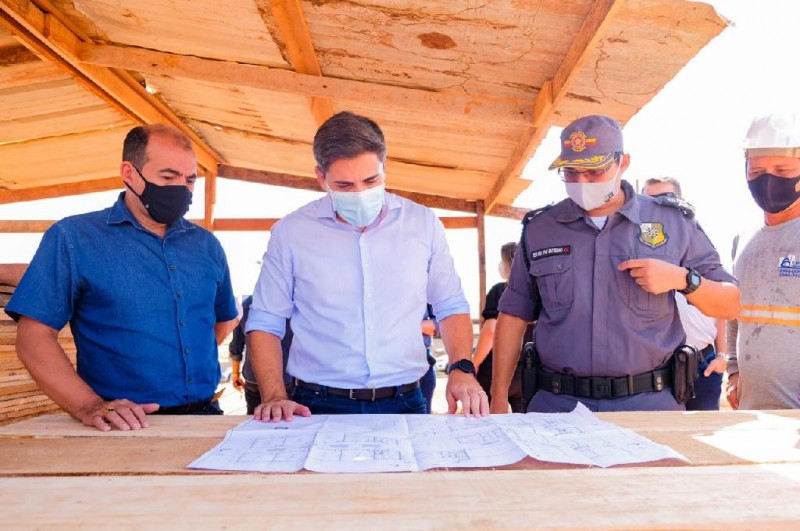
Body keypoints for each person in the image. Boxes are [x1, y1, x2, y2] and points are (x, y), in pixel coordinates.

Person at [245, 111, 487, 421]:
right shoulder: (291, 233)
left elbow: (450, 305)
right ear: (321, 178)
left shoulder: (423, 224)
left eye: (371, 181)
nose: (360, 193)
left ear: (385, 168)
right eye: (344, 185)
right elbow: (266, 321)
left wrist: (461, 367)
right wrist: (275, 395)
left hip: (407, 399)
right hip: (316, 403)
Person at [490, 114, 740, 414]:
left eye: (594, 171)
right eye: (571, 171)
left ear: (623, 163)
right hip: (557, 406)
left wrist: (683, 279)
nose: (582, 182)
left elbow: (730, 303)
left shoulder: (672, 222)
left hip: (648, 406)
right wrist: (497, 397)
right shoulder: (541, 228)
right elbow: (513, 315)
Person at [5, 124, 239, 431]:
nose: (182, 188)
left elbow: (223, 320)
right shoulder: (74, 239)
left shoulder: (207, 245)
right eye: (168, 177)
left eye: (190, 179)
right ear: (130, 173)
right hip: (121, 425)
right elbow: (33, 338)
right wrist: (88, 405)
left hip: (205, 418)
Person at [727, 112, 800, 410]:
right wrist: (733, 369)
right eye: (757, 173)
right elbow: (735, 311)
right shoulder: (742, 240)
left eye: (782, 170)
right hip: (754, 413)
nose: (768, 180)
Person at [641, 176, 728, 410]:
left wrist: (722, 357)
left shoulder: (703, 249)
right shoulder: (634, 252)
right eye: (649, 201)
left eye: (665, 199)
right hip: (656, 369)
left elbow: (721, 306)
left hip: (704, 366)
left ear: (680, 202)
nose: (658, 207)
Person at [473, 242, 532, 412]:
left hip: (496, 370)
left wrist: (474, 362)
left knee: (490, 421)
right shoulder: (538, 292)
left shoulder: (500, 290)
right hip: (527, 372)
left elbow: (491, 331)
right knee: (524, 426)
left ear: (508, 263)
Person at [229, 295, 294, 414]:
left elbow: (236, 345)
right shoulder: (291, 305)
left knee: (254, 419)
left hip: (252, 376)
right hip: (284, 377)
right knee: (284, 419)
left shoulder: (246, 305)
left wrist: (235, 374)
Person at [420, 304, 439, 413]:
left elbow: (439, 323)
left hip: (425, 360)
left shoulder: (423, 288)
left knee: (423, 418)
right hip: (387, 363)